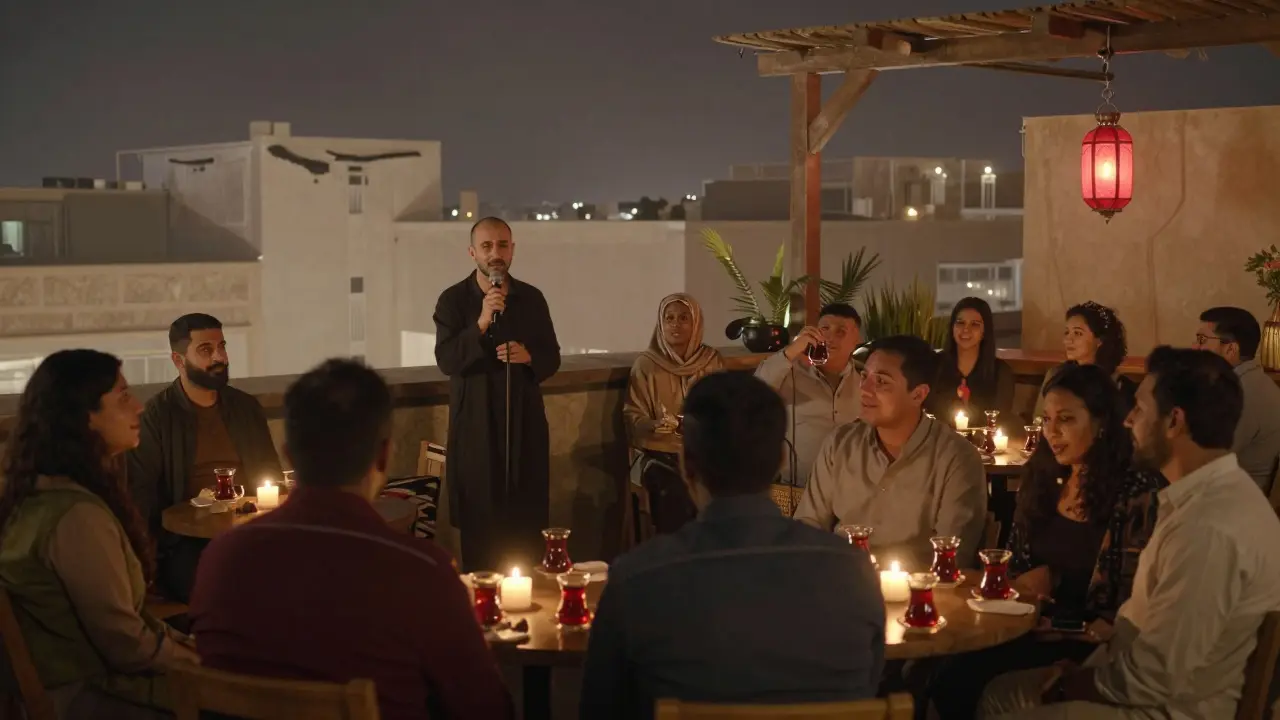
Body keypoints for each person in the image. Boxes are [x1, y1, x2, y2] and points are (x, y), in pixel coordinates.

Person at [189, 359, 513, 720]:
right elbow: (486, 708)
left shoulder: (220, 558)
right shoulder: (420, 571)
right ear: (384, 455)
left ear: (289, 455)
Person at [980, 347, 1280, 719]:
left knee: (996, 696)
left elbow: (1154, 677)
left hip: (1163, 711)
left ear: (1174, 422)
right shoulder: (1206, 498)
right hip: (1140, 682)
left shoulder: (1208, 527)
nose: (1127, 422)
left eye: (1138, 410)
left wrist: (1070, 683)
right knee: (994, 687)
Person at [580, 372, 884, 720]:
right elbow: (868, 686)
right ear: (781, 459)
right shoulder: (853, 570)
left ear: (685, 464)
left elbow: (600, 708)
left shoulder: (638, 579)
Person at [928, 364, 1164, 719]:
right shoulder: (1043, 478)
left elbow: (1132, 601)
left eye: (1066, 419)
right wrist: (1026, 586)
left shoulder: (1135, 493)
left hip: (1086, 639)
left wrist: (1077, 622)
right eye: (1047, 419)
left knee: (963, 682)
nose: (1052, 432)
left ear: (1101, 423)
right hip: (1030, 626)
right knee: (936, 673)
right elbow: (1014, 566)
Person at [0, 350, 199, 719]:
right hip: (91, 698)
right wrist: (203, 659)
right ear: (83, 417)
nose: (139, 407)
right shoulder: (76, 518)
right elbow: (127, 646)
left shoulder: (33, 498)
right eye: (123, 397)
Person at [434, 217, 561, 572]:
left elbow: (553, 357)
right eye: (487, 246)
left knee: (525, 530)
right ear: (472, 252)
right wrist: (482, 322)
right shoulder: (453, 301)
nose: (496, 254)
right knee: (481, 533)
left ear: (512, 249)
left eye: (503, 245)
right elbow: (447, 360)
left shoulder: (531, 298)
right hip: (476, 428)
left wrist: (529, 356)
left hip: (524, 426)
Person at [794, 335, 986, 569]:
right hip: (840, 583)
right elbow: (807, 525)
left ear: (918, 394)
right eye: (864, 377)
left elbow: (953, 556)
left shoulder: (956, 458)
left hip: (919, 592)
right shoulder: (840, 444)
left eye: (882, 382)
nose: (864, 389)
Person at [128, 313, 281, 604]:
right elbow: (141, 496)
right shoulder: (158, 416)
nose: (220, 357)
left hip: (248, 531)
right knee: (224, 588)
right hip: (185, 543)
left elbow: (271, 474)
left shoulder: (245, 408)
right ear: (178, 360)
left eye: (222, 346)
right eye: (206, 350)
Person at [624, 293, 724, 534]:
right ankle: (676, 558)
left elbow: (722, 410)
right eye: (669, 318)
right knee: (672, 491)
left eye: (683, 318)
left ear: (696, 323)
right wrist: (652, 424)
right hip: (656, 454)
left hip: (702, 454)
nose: (675, 324)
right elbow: (632, 415)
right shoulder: (646, 365)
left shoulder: (711, 362)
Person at [754, 303, 863, 487]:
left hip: (848, 487)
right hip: (797, 487)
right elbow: (754, 390)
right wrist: (792, 350)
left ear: (856, 340)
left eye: (841, 332)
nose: (829, 337)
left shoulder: (865, 382)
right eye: (825, 329)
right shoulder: (790, 374)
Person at [1193, 306, 1280, 493]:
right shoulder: (1254, 381)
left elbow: (1203, 462)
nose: (1195, 348)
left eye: (1202, 340)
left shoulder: (1243, 393)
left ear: (1230, 349)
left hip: (1237, 504)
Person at [1033, 302, 1134, 419]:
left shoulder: (1116, 384)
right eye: (1067, 332)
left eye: (1077, 333)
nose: (1068, 340)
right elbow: (1038, 420)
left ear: (1100, 340)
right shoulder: (1056, 376)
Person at [928, 296, 1015, 422]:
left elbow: (1000, 420)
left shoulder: (1001, 372)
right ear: (952, 327)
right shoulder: (934, 365)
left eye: (975, 324)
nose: (966, 329)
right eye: (960, 322)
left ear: (985, 331)